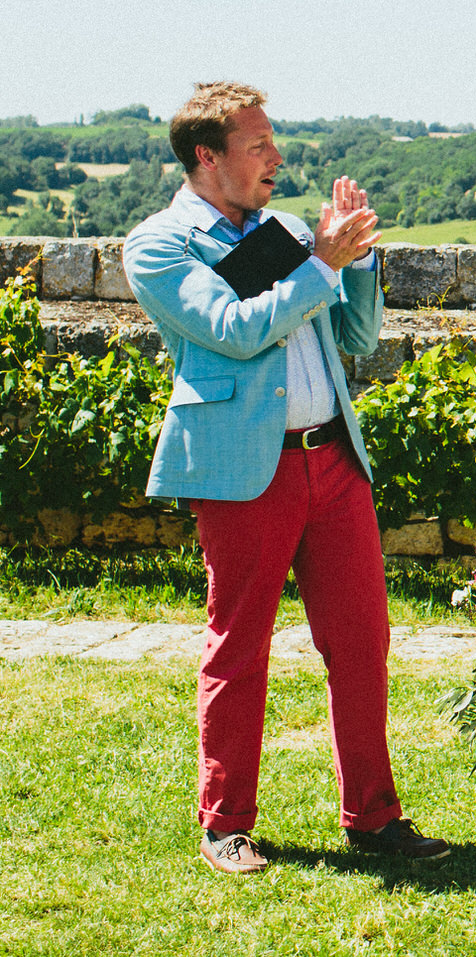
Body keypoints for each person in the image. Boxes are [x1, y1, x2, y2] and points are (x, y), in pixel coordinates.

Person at [123, 81, 448, 875]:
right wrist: (321, 263)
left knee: (362, 641)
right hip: (243, 471)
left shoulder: (294, 232)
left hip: (333, 460)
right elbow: (234, 331)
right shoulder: (160, 245)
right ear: (208, 156)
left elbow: (357, 337)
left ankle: (374, 817)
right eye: (258, 144)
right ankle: (225, 824)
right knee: (240, 646)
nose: (278, 156)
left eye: (274, 140)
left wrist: (357, 261)